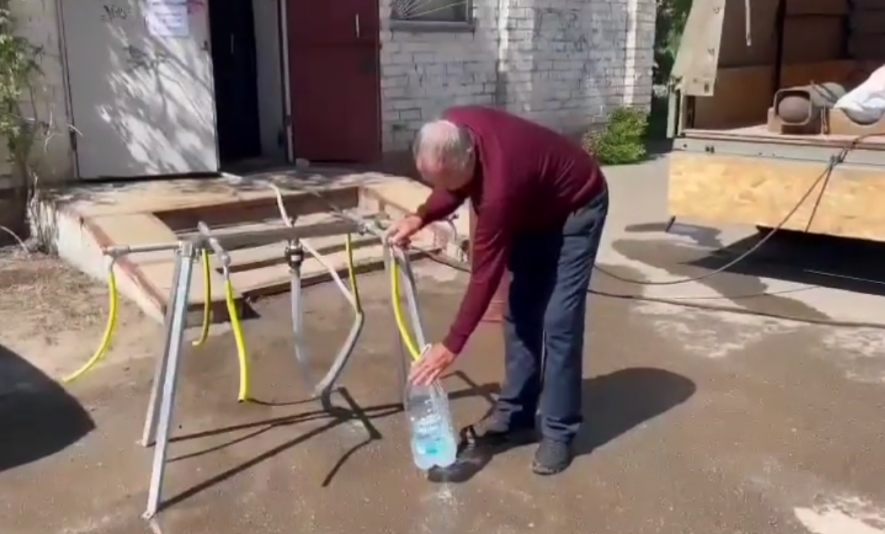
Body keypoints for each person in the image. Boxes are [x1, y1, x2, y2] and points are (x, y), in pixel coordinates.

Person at [387, 106, 609, 475]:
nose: (449, 189)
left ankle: (558, 431)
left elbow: (485, 275)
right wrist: (420, 215)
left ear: (469, 156)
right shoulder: (454, 129)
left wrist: (451, 345)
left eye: (451, 180)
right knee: (520, 311)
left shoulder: (499, 191)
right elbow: (453, 187)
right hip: (533, 208)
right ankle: (516, 416)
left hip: (577, 206)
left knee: (559, 321)